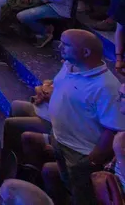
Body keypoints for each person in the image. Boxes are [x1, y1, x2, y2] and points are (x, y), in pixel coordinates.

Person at [44, 29, 125, 204]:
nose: (60, 47)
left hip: (81, 152)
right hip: (60, 141)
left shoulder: (106, 87)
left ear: (86, 52)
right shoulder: (69, 66)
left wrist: (93, 160)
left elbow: (112, 130)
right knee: (68, 185)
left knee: (83, 195)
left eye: (66, 45)